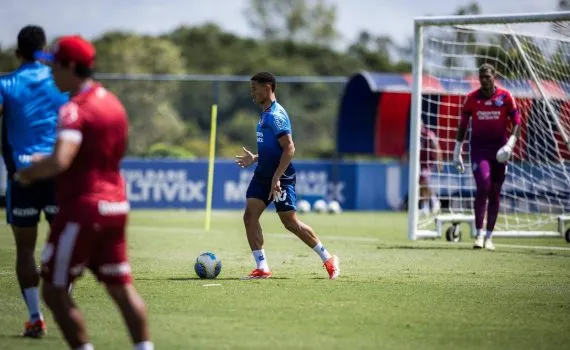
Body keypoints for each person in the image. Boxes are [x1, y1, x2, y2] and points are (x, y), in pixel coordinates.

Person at [15, 35, 153, 350]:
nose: (50, 73)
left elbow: (61, 159)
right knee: (121, 288)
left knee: (53, 290)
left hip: (83, 209)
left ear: (70, 66)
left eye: (54, 65)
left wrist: (30, 171)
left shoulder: (74, 109)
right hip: (116, 206)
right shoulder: (113, 104)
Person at [235, 72, 340, 280]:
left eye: (254, 89)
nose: (252, 94)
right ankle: (262, 268)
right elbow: (273, 148)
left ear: (267, 88)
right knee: (250, 217)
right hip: (262, 175)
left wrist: (276, 178)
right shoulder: (264, 114)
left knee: (290, 222)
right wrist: (255, 158)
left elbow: (289, 148)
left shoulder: (276, 115)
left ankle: (328, 258)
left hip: (280, 178)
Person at [0, 25, 68, 338]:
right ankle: (62, 304)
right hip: (57, 173)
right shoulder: (59, 82)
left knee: (25, 250)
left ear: (17, 52)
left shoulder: (6, 83)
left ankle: (34, 316)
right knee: (63, 245)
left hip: (23, 176)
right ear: (43, 50)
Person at [453, 63, 521, 251]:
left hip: (500, 151)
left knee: (495, 191)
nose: (484, 80)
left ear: (494, 77)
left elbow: (517, 122)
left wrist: (510, 144)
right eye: (481, 77)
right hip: (479, 150)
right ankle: (479, 235)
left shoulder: (506, 97)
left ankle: (489, 237)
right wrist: (456, 150)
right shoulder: (471, 99)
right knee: (483, 185)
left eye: (487, 77)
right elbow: (463, 125)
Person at [419, 123, 443, 216]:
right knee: (422, 184)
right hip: (420, 163)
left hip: (428, 163)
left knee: (423, 182)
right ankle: (430, 205)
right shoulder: (417, 136)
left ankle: (432, 203)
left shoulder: (429, 134)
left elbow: (437, 147)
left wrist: (440, 161)